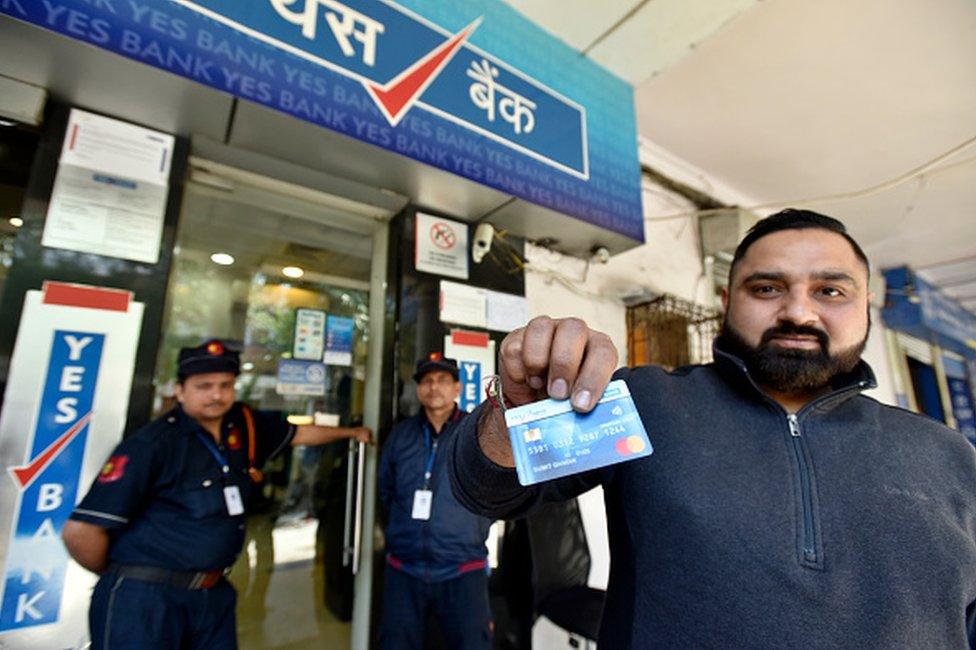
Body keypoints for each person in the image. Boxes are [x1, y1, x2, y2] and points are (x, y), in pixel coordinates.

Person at [448, 209, 976, 649]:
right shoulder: (647, 402)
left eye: (830, 291)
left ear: (868, 308)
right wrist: (512, 407)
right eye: (767, 287)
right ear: (727, 303)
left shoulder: (949, 455)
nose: (797, 311)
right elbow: (487, 489)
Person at [62, 339, 371, 649]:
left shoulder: (243, 425)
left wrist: (351, 434)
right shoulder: (152, 446)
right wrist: (128, 577)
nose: (216, 395)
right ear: (180, 390)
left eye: (226, 385)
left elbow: (298, 434)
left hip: (211, 595)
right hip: (145, 601)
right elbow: (82, 532)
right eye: (204, 386)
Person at [378, 353, 493, 649]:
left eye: (443, 380)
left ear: (457, 388)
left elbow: (496, 493)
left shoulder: (477, 431)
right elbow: (386, 491)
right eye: (427, 381)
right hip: (405, 569)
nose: (434, 387)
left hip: (463, 568)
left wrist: (472, 525)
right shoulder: (400, 435)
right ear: (418, 389)